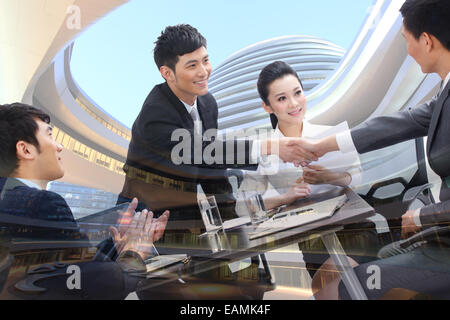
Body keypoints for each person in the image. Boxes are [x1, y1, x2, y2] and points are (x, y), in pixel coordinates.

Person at [309, 0, 450, 299]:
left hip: (444, 239)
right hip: (440, 235)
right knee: (347, 267)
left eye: (406, 40)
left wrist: (424, 216)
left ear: (426, 41)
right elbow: (394, 125)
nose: (408, 50)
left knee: (350, 285)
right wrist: (320, 145)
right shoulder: (445, 93)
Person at [118, 24, 318, 231]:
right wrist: (271, 146)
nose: (204, 72)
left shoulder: (207, 103)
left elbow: (212, 167)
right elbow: (200, 151)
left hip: (187, 212)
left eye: (205, 60)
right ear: (167, 73)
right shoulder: (155, 112)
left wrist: (232, 215)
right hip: (142, 215)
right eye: (192, 65)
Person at [0, 103, 170, 299]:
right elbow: (105, 285)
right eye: (49, 135)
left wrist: (117, 246)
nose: (59, 146)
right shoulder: (40, 204)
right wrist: (135, 251)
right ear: (25, 149)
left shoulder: (11, 203)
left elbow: (77, 268)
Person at [236, 61, 378, 288]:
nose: (294, 104)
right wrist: (286, 197)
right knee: (327, 285)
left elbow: (358, 178)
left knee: (341, 281)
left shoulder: (329, 135)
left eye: (297, 93)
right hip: (312, 241)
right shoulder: (266, 151)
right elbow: (245, 206)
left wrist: (330, 177)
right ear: (267, 107)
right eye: (281, 99)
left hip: (352, 228)